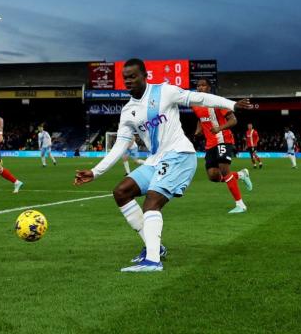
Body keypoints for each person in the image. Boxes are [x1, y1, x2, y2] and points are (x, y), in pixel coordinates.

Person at [74, 59, 252, 272]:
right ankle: (155, 248)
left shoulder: (165, 91)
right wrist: (95, 172)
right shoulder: (128, 111)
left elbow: (200, 97)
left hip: (179, 155)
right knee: (121, 192)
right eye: (126, 78)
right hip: (156, 160)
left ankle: (152, 261)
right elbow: (120, 146)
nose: (129, 81)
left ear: (145, 75)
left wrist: (231, 104)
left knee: (152, 201)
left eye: (133, 76)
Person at [191, 78, 253, 213]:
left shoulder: (217, 102)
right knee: (213, 176)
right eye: (198, 86)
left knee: (224, 170)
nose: (200, 87)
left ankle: (240, 205)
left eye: (203, 85)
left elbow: (233, 120)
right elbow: (200, 118)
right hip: (210, 143)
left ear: (209, 88)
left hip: (223, 139)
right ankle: (241, 175)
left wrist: (219, 128)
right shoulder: (195, 104)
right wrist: (199, 130)